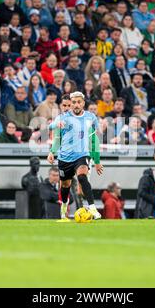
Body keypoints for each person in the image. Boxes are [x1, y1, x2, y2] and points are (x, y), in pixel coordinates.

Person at [47, 91, 103, 221]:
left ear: (83, 103)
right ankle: (63, 210)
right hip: (65, 157)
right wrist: (52, 151)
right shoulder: (63, 117)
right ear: (71, 104)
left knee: (82, 177)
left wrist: (97, 160)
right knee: (65, 185)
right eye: (74, 102)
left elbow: (94, 139)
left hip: (82, 154)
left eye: (79, 102)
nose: (76, 105)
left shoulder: (91, 118)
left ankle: (93, 208)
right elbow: (51, 128)